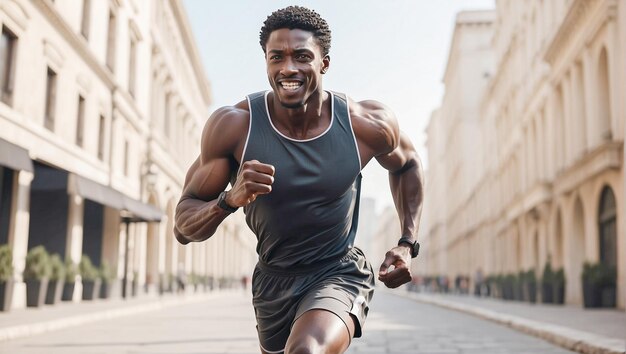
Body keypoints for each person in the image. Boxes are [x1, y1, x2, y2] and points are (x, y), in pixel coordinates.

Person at [174, 6, 424, 354]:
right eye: (277, 57)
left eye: (302, 56)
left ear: (325, 63)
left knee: (306, 350)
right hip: (272, 282)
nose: (288, 68)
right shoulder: (234, 127)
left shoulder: (365, 125)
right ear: (266, 62)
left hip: (338, 271)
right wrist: (230, 199)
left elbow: (407, 164)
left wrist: (406, 242)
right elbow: (183, 227)